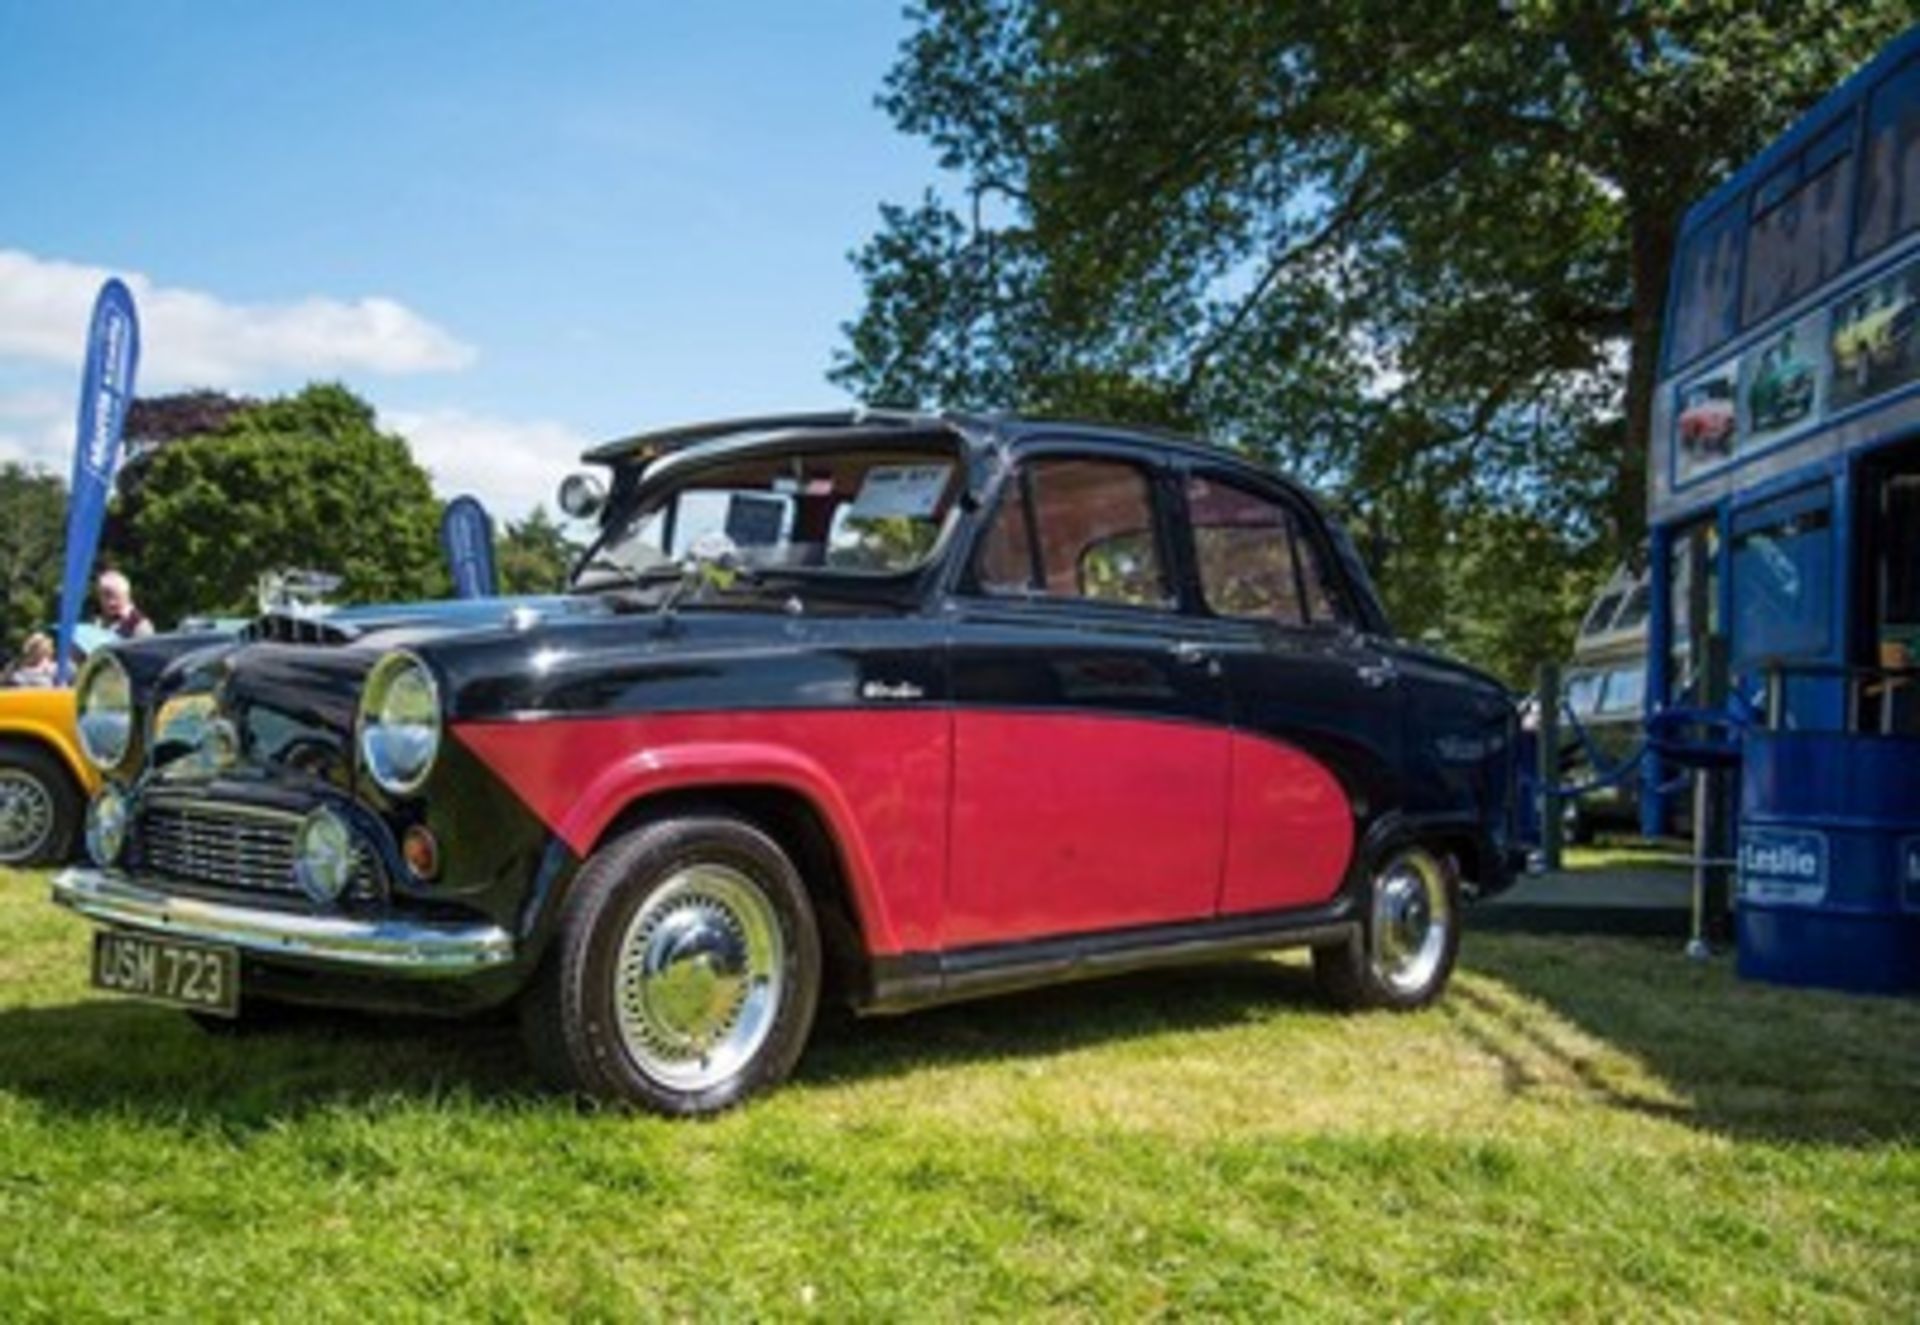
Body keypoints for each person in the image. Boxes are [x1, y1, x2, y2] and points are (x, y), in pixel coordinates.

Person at [94, 570, 153, 639]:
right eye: (105, 597)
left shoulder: (140, 625)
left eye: (115, 597)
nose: (111, 603)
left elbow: (146, 649)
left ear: (125, 595)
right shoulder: (99, 622)